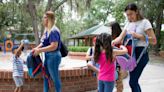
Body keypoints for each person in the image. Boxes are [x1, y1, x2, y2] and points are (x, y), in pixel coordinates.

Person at [112, 3, 157, 92]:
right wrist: (112, 42)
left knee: (133, 81)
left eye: (131, 14)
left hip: (141, 54)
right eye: (127, 15)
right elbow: (120, 37)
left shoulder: (145, 22)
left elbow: (154, 41)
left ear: (136, 12)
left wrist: (139, 36)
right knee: (133, 82)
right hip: (130, 54)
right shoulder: (128, 23)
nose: (129, 17)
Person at [33, 11, 62, 92]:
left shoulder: (53, 30)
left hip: (53, 56)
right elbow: (43, 42)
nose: (43, 19)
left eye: (45, 17)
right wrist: (36, 48)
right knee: (46, 76)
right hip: (48, 56)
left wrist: (40, 50)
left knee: (55, 78)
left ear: (49, 19)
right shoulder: (47, 30)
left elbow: (54, 46)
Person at [110, 21, 126, 92]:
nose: (110, 30)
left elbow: (123, 49)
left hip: (121, 62)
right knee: (117, 80)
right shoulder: (113, 38)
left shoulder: (121, 38)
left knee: (119, 81)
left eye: (111, 28)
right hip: (115, 62)